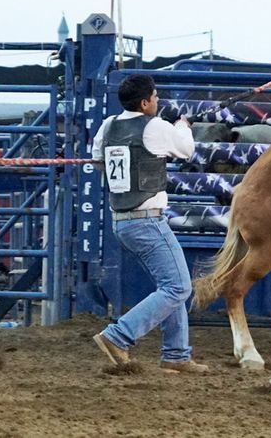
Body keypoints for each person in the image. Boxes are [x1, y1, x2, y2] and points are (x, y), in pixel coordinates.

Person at [90, 74, 209, 374]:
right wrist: (183, 125)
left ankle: (176, 354)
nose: (157, 101)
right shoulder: (155, 126)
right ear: (145, 103)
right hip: (148, 221)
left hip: (123, 221)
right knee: (178, 286)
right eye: (155, 97)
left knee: (171, 285)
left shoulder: (109, 125)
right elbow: (186, 150)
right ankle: (118, 336)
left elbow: (97, 161)